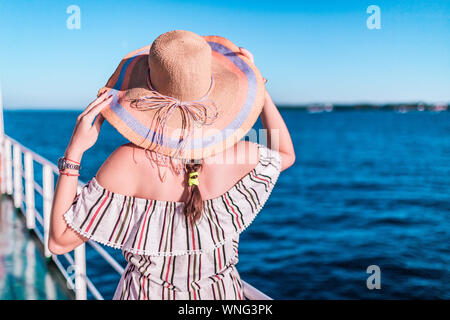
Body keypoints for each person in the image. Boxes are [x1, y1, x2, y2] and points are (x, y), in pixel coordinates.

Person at [48, 30, 295, 300]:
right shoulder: (238, 155)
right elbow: (284, 152)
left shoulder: (128, 162)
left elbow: (59, 241)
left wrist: (74, 152)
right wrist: (258, 85)